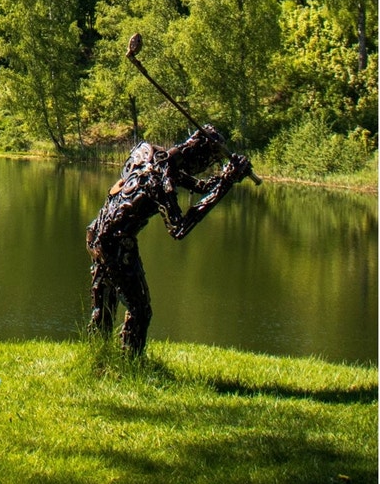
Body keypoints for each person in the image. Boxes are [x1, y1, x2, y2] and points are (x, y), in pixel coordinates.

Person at [85, 125, 254, 354]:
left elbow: (200, 186)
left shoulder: (149, 153)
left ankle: (100, 359)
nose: (201, 170)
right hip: (116, 242)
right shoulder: (160, 181)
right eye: (205, 164)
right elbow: (179, 228)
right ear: (196, 157)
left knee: (104, 306)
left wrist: (228, 176)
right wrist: (225, 183)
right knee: (140, 310)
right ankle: (127, 364)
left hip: (97, 233)